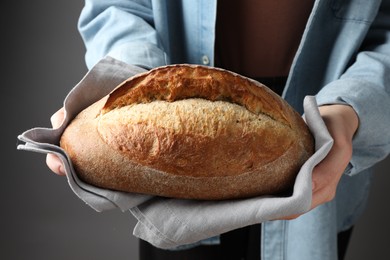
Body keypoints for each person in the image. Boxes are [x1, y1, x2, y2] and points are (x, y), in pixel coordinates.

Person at [47, 0, 390, 259]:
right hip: (170, 126)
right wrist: (130, 80)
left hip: (324, 120)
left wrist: (348, 109)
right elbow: (118, 5)